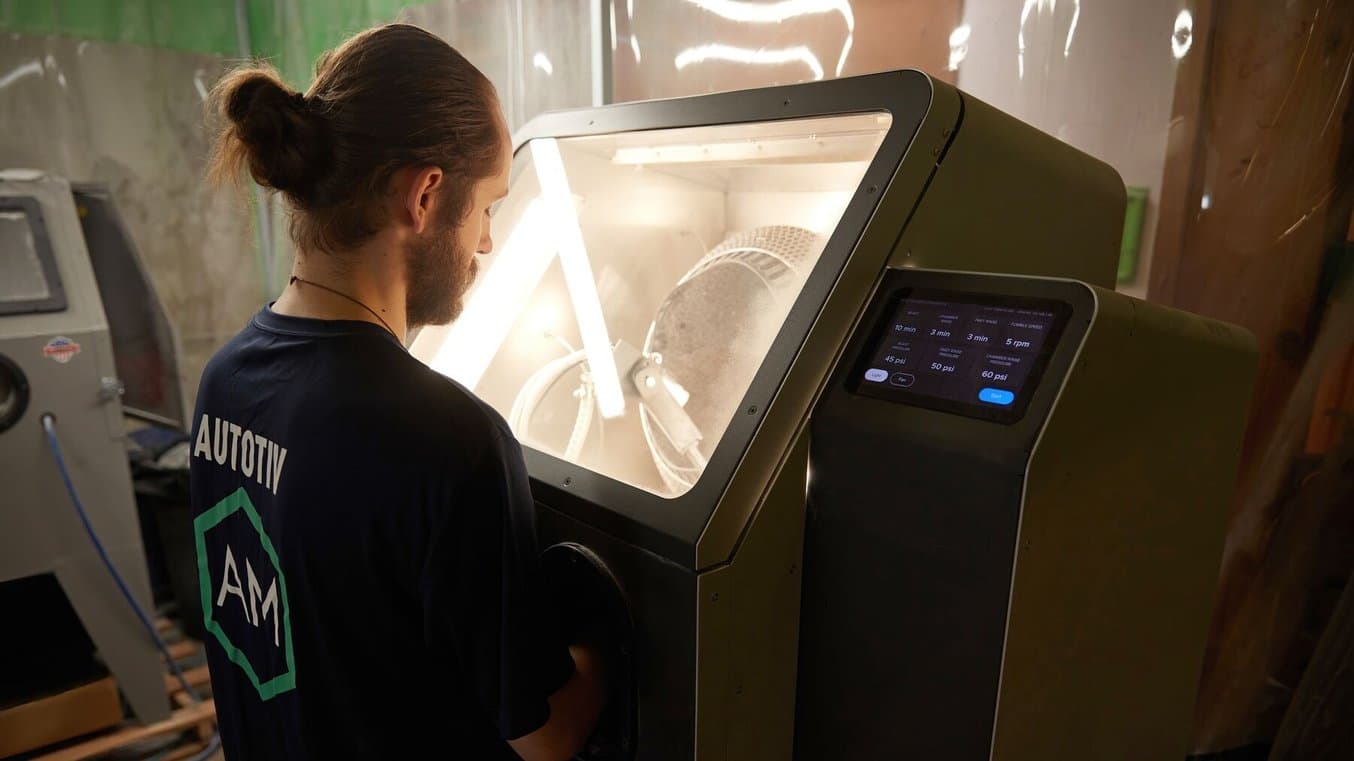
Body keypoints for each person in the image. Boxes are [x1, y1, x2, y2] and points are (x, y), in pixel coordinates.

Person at [191, 23, 604, 760]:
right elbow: (545, 738)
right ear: (424, 196)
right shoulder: (449, 442)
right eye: (488, 207)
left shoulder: (226, 380)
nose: (484, 243)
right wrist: (607, 643)